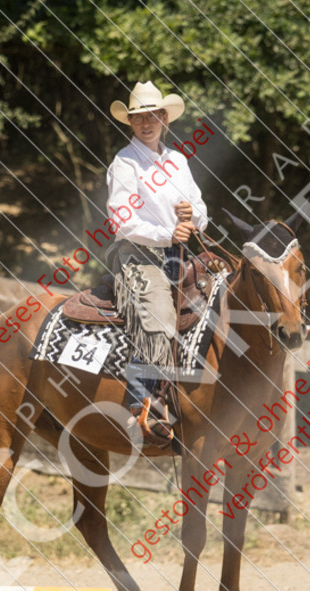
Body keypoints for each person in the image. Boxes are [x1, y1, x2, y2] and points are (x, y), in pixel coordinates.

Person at [105, 81, 209, 445]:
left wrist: (191, 215)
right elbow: (121, 220)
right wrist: (168, 233)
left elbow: (200, 209)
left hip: (181, 254)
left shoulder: (178, 160)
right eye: (138, 118)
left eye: (152, 116)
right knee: (159, 314)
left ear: (164, 118)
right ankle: (143, 406)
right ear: (130, 122)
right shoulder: (125, 162)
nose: (146, 123)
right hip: (138, 256)